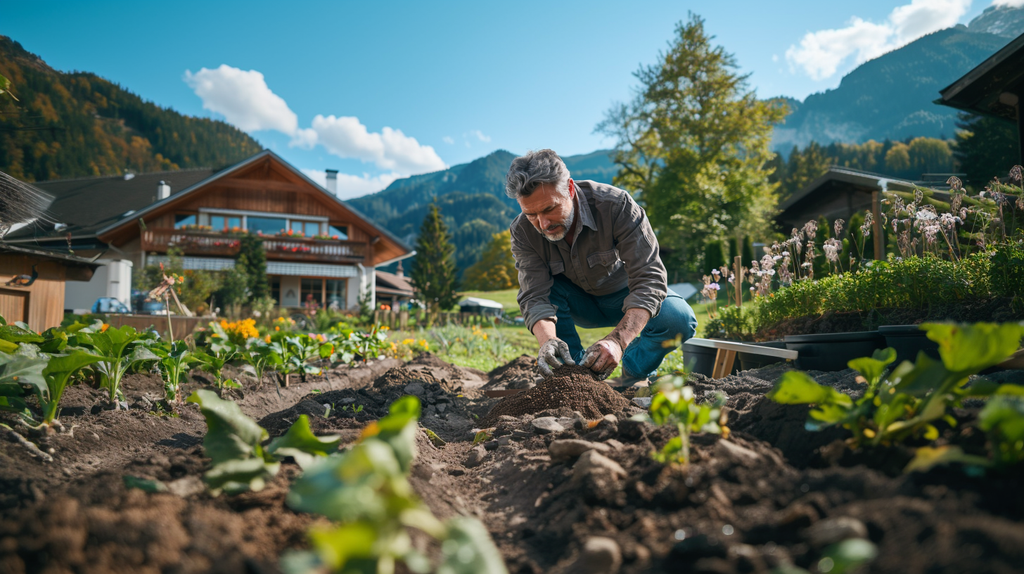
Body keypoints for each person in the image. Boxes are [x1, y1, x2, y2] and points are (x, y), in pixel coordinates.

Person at [506, 149, 697, 384]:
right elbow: (534, 295)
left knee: (678, 319)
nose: (543, 224)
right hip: (575, 304)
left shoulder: (617, 206)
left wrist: (618, 341)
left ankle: (633, 374)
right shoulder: (522, 231)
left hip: (626, 298)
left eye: (549, 209)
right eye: (531, 214)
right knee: (547, 291)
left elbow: (649, 280)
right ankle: (575, 378)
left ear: (570, 189)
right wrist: (548, 341)